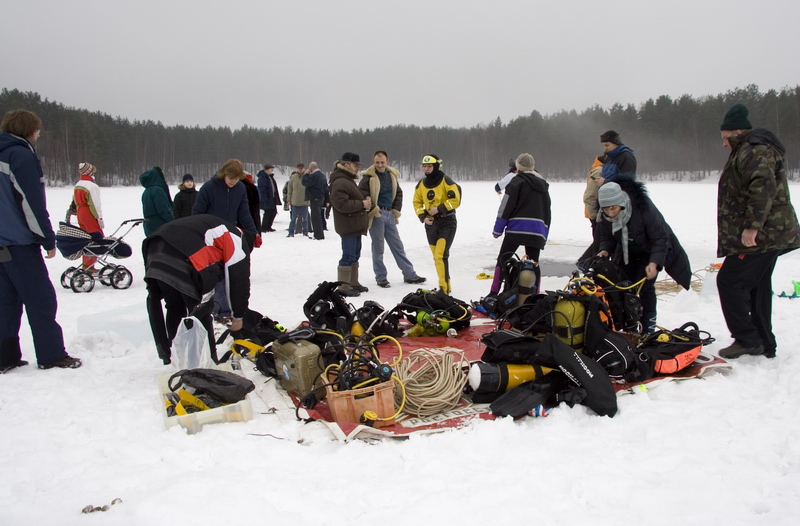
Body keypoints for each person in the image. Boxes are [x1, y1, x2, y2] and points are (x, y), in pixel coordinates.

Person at [715, 103, 800, 359]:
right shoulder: (747, 149)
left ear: (738, 132)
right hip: (767, 234)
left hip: (763, 236)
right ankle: (763, 342)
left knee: (729, 281)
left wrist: (752, 227)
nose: (724, 144)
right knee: (757, 286)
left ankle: (747, 339)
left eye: (726, 138)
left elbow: (762, 188)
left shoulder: (755, 150)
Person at [0, 109, 81, 371]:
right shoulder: (20, 155)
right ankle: (51, 354)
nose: (38, 134)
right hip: (19, 243)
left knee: (6, 301)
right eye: (37, 130)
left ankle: (5, 356)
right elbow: (31, 203)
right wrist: (47, 238)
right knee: (41, 299)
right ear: (29, 130)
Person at [143, 214, 255, 364]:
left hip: (155, 250)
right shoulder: (236, 238)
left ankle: (178, 357)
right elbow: (238, 280)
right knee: (201, 310)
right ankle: (209, 361)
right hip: (184, 258)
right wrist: (238, 317)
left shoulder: (215, 226)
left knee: (175, 307)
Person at [596, 179, 691, 333]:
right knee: (624, 286)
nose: (610, 213)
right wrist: (604, 251)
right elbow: (607, 238)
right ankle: (630, 325)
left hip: (651, 250)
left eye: (613, 208)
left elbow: (660, 239)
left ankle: (648, 328)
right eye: (606, 209)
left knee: (646, 287)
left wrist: (654, 263)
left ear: (621, 203)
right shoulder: (604, 216)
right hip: (628, 250)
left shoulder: (643, 209)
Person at [192, 159, 258, 320]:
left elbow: (244, 212)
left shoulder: (240, 188)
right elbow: (197, 212)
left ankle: (229, 309)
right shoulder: (209, 187)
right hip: (211, 237)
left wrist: (253, 232)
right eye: (230, 178)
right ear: (224, 174)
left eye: (236, 178)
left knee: (232, 273)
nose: (233, 181)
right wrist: (198, 233)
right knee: (217, 275)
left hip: (229, 236)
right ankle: (217, 310)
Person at [358, 150, 426, 288]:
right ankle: (381, 277)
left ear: (387, 161)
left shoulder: (392, 175)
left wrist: (396, 210)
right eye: (377, 162)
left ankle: (409, 274)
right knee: (378, 248)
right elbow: (362, 195)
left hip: (390, 214)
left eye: (382, 162)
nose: (380, 165)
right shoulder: (368, 177)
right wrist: (374, 211)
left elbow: (398, 193)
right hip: (377, 216)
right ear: (374, 162)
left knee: (398, 246)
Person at [489, 153, 551, 296]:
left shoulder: (516, 182)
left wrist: (497, 230)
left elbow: (505, 207)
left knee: (503, 260)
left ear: (518, 166)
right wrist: (544, 234)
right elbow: (547, 212)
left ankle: (493, 293)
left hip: (516, 229)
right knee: (534, 263)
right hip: (536, 230)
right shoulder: (543, 185)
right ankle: (534, 295)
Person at [413, 154, 462, 294]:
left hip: (447, 222)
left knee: (440, 255)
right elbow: (416, 202)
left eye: (429, 166)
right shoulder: (421, 184)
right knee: (437, 257)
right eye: (424, 166)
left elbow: (456, 200)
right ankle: (446, 286)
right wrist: (423, 217)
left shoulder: (446, 180)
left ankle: (443, 289)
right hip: (431, 224)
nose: (426, 169)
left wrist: (439, 209)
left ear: (436, 166)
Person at [330, 152, 370, 297]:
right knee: (348, 256)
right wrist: (361, 204)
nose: (357, 168)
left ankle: (353, 282)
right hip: (348, 226)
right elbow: (340, 204)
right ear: (346, 164)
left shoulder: (347, 180)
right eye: (355, 165)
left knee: (355, 255)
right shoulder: (340, 181)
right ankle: (343, 286)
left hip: (354, 225)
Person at [71, 162, 104, 273]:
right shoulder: (91, 186)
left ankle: (86, 264)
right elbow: (95, 204)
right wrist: (99, 219)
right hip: (88, 213)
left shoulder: (78, 184)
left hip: (80, 212)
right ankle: (90, 266)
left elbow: (74, 201)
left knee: (86, 239)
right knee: (95, 239)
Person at [577, 154, 606, 265]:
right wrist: (595, 217)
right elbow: (589, 196)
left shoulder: (601, 169)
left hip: (598, 214)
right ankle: (587, 264)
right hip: (596, 215)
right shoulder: (599, 171)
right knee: (599, 245)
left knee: (600, 244)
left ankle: (588, 264)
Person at [140, 166, 174, 236]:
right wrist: (172, 221)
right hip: (159, 225)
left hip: (149, 226)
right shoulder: (158, 190)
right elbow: (163, 209)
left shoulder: (146, 191)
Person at [302, 161, 328, 240]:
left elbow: (304, 182)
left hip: (315, 197)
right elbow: (326, 187)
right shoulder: (323, 175)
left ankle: (318, 235)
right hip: (321, 197)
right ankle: (319, 234)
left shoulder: (314, 175)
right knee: (318, 216)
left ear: (311, 167)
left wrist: (306, 174)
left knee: (315, 217)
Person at [286, 163, 310, 238]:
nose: (300, 169)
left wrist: (309, 200)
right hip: (295, 202)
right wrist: (288, 200)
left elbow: (310, 189)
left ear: (304, 169)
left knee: (305, 219)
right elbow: (289, 189)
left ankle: (305, 232)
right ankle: (291, 232)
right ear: (296, 169)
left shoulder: (307, 177)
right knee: (293, 219)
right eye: (299, 168)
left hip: (304, 202)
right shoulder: (293, 177)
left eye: (301, 168)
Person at [256, 164, 281, 232]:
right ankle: (264, 227)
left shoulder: (270, 177)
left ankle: (268, 226)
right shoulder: (262, 178)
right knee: (268, 212)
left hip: (272, 197)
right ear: (266, 169)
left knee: (273, 212)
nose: (272, 170)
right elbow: (262, 190)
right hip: (267, 198)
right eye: (271, 169)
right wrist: (264, 199)